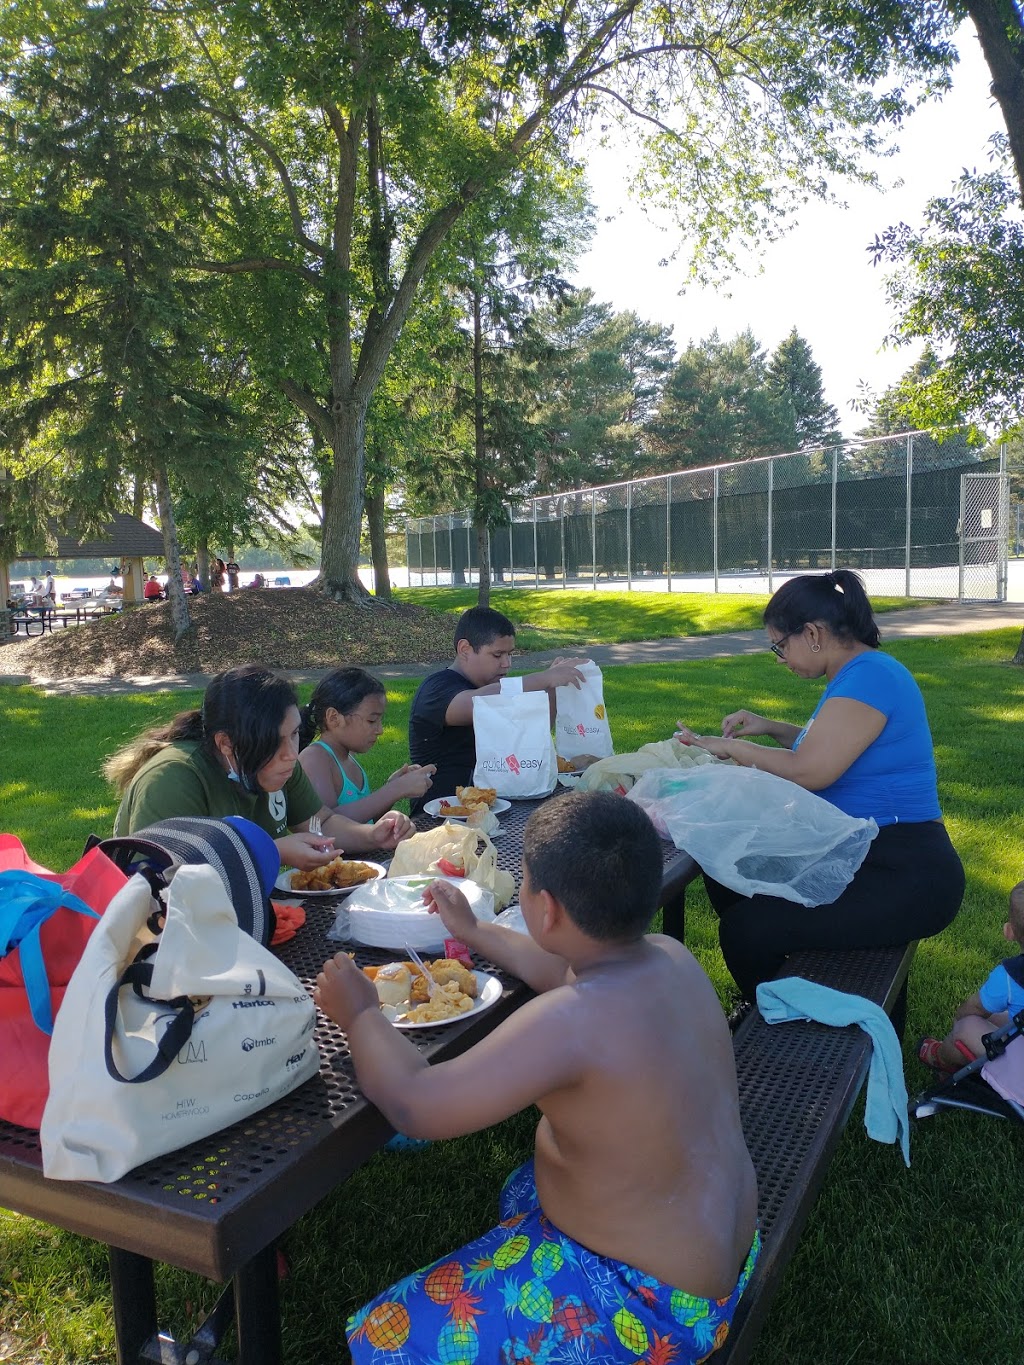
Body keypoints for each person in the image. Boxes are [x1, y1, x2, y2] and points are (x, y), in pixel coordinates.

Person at [315, 792, 759, 1364]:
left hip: (651, 1307)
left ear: (545, 909)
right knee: (525, 1185)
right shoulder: (670, 956)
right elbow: (558, 966)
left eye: (521, 883)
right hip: (721, 1248)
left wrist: (360, 1014)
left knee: (390, 1337)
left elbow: (416, 1104)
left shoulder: (571, 1022)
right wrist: (472, 930)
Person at [674, 568, 965, 1002]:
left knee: (746, 929)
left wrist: (731, 749)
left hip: (905, 870)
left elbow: (813, 770)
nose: (779, 657)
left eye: (779, 644)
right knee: (729, 867)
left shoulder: (871, 676)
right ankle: (795, 988)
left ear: (811, 633)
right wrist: (768, 726)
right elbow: (830, 747)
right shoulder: (858, 674)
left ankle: (792, 1016)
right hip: (864, 852)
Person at [104, 664, 415, 870]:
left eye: (294, 735)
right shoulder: (172, 778)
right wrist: (274, 851)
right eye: (273, 742)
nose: (291, 754)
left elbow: (322, 824)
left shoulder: (282, 762)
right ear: (226, 743)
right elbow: (170, 877)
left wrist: (372, 835)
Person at [407, 606, 587, 809]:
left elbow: (538, 730)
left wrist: (552, 687)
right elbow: (479, 704)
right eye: (497, 655)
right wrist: (542, 678)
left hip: (494, 806)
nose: (506, 664)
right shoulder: (436, 688)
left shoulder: (494, 690)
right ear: (465, 649)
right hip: (441, 816)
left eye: (510, 654)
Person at [298, 667, 436, 818]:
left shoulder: (348, 759)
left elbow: (365, 820)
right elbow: (326, 825)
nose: (380, 730)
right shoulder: (315, 759)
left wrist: (392, 787)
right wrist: (395, 789)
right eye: (371, 720)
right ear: (334, 718)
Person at [918, 881, 1024, 1073]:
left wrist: (959, 1020)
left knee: (967, 1026)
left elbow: (973, 1008)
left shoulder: (1011, 977)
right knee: (1003, 1018)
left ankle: (941, 1057)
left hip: (1020, 1073)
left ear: (1009, 932)